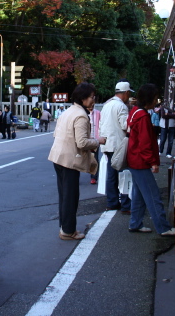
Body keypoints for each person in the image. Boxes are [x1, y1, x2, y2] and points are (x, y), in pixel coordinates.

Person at [48, 83, 105, 240]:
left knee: (65, 195)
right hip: (69, 160)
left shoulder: (68, 111)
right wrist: (98, 141)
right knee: (70, 197)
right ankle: (68, 231)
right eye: (92, 97)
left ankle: (65, 227)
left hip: (58, 157)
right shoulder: (80, 115)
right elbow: (82, 142)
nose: (93, 100)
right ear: (83, 98)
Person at [126, 84, 175, 236]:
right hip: (141, 161)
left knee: (139, 195)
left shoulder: (135, 112)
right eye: (155, 98)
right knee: (153, 195)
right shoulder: (143, 116)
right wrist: (152, 162)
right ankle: (163, 227)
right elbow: (146, 143)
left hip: (134, 159)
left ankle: (135, 223)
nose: (156, 100)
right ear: (150, 99)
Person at [100, 81, 133, 213]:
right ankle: (125, 204)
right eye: (129, 93)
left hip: (107, 144)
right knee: (124, 175)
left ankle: (112, 202)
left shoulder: (107, 105)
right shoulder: (121, 106)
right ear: (126, 93)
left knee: (111, 175)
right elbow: (125, 125)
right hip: (118, 145)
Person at [88, 102, 101, 185]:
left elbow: (101, 125)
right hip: (85, 139)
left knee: (94, 159)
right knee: (79, 158)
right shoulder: (84, 113)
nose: (91, 106)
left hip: (95, 139)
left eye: (93, 104)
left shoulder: (98, 113)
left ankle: (94, 177)